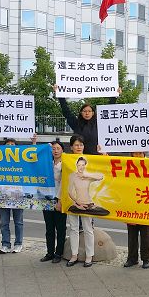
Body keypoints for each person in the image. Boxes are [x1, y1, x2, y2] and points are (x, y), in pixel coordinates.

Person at [65, 135, 101, 268]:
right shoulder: (70, 171)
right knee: (73, 228)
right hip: (75, 205)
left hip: (88, 204)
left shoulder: (88, 171)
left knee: (88, 229)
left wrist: (86, 175)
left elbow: (101, 176)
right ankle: (74, 255)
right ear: (71, 147)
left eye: (80, 145)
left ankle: (89, 256)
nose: (78, 147)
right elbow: (69, 191)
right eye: (76, 145)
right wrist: (76, 203)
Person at [0, 136, 36, 253]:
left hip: (18, 195)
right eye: (7, 145)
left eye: (12, 145)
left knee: (18, 222)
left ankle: (18, 243)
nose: (10, 147)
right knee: (4, 222)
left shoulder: (21, 160)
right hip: (3, 195)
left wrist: (34, 142)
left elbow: (33, 156)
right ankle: (5, 244)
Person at [56, 86, 119, 155]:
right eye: (84, 111)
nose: (87, 113)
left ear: (93, 113)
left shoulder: (99, 123)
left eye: (89, 111)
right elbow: (66, 112)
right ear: (81, 113)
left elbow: (107, 109)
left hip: (96, 158)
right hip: (80, 160)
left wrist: (115, 96)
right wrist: (60, 95)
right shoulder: (76, 123)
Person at [124, 151, 149, 269]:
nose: (137, 156)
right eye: (134, 153)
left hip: (146, 203)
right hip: (131, 204)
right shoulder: (126, 164)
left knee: (146, 234)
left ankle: (146, 258)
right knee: (132, 234)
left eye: (139, 153)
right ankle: (132, 258)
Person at [40, 140, 67, 264]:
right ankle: (49, 252)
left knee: (60, 228)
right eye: (53, 149)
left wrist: (60, 200)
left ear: (62, 150)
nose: (55, 151)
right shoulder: (46, 163)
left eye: (58, 148)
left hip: (59, 198)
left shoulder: (65, 164)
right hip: (47, 198)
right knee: (49, 227)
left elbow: (64, 183)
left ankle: (58, 253)